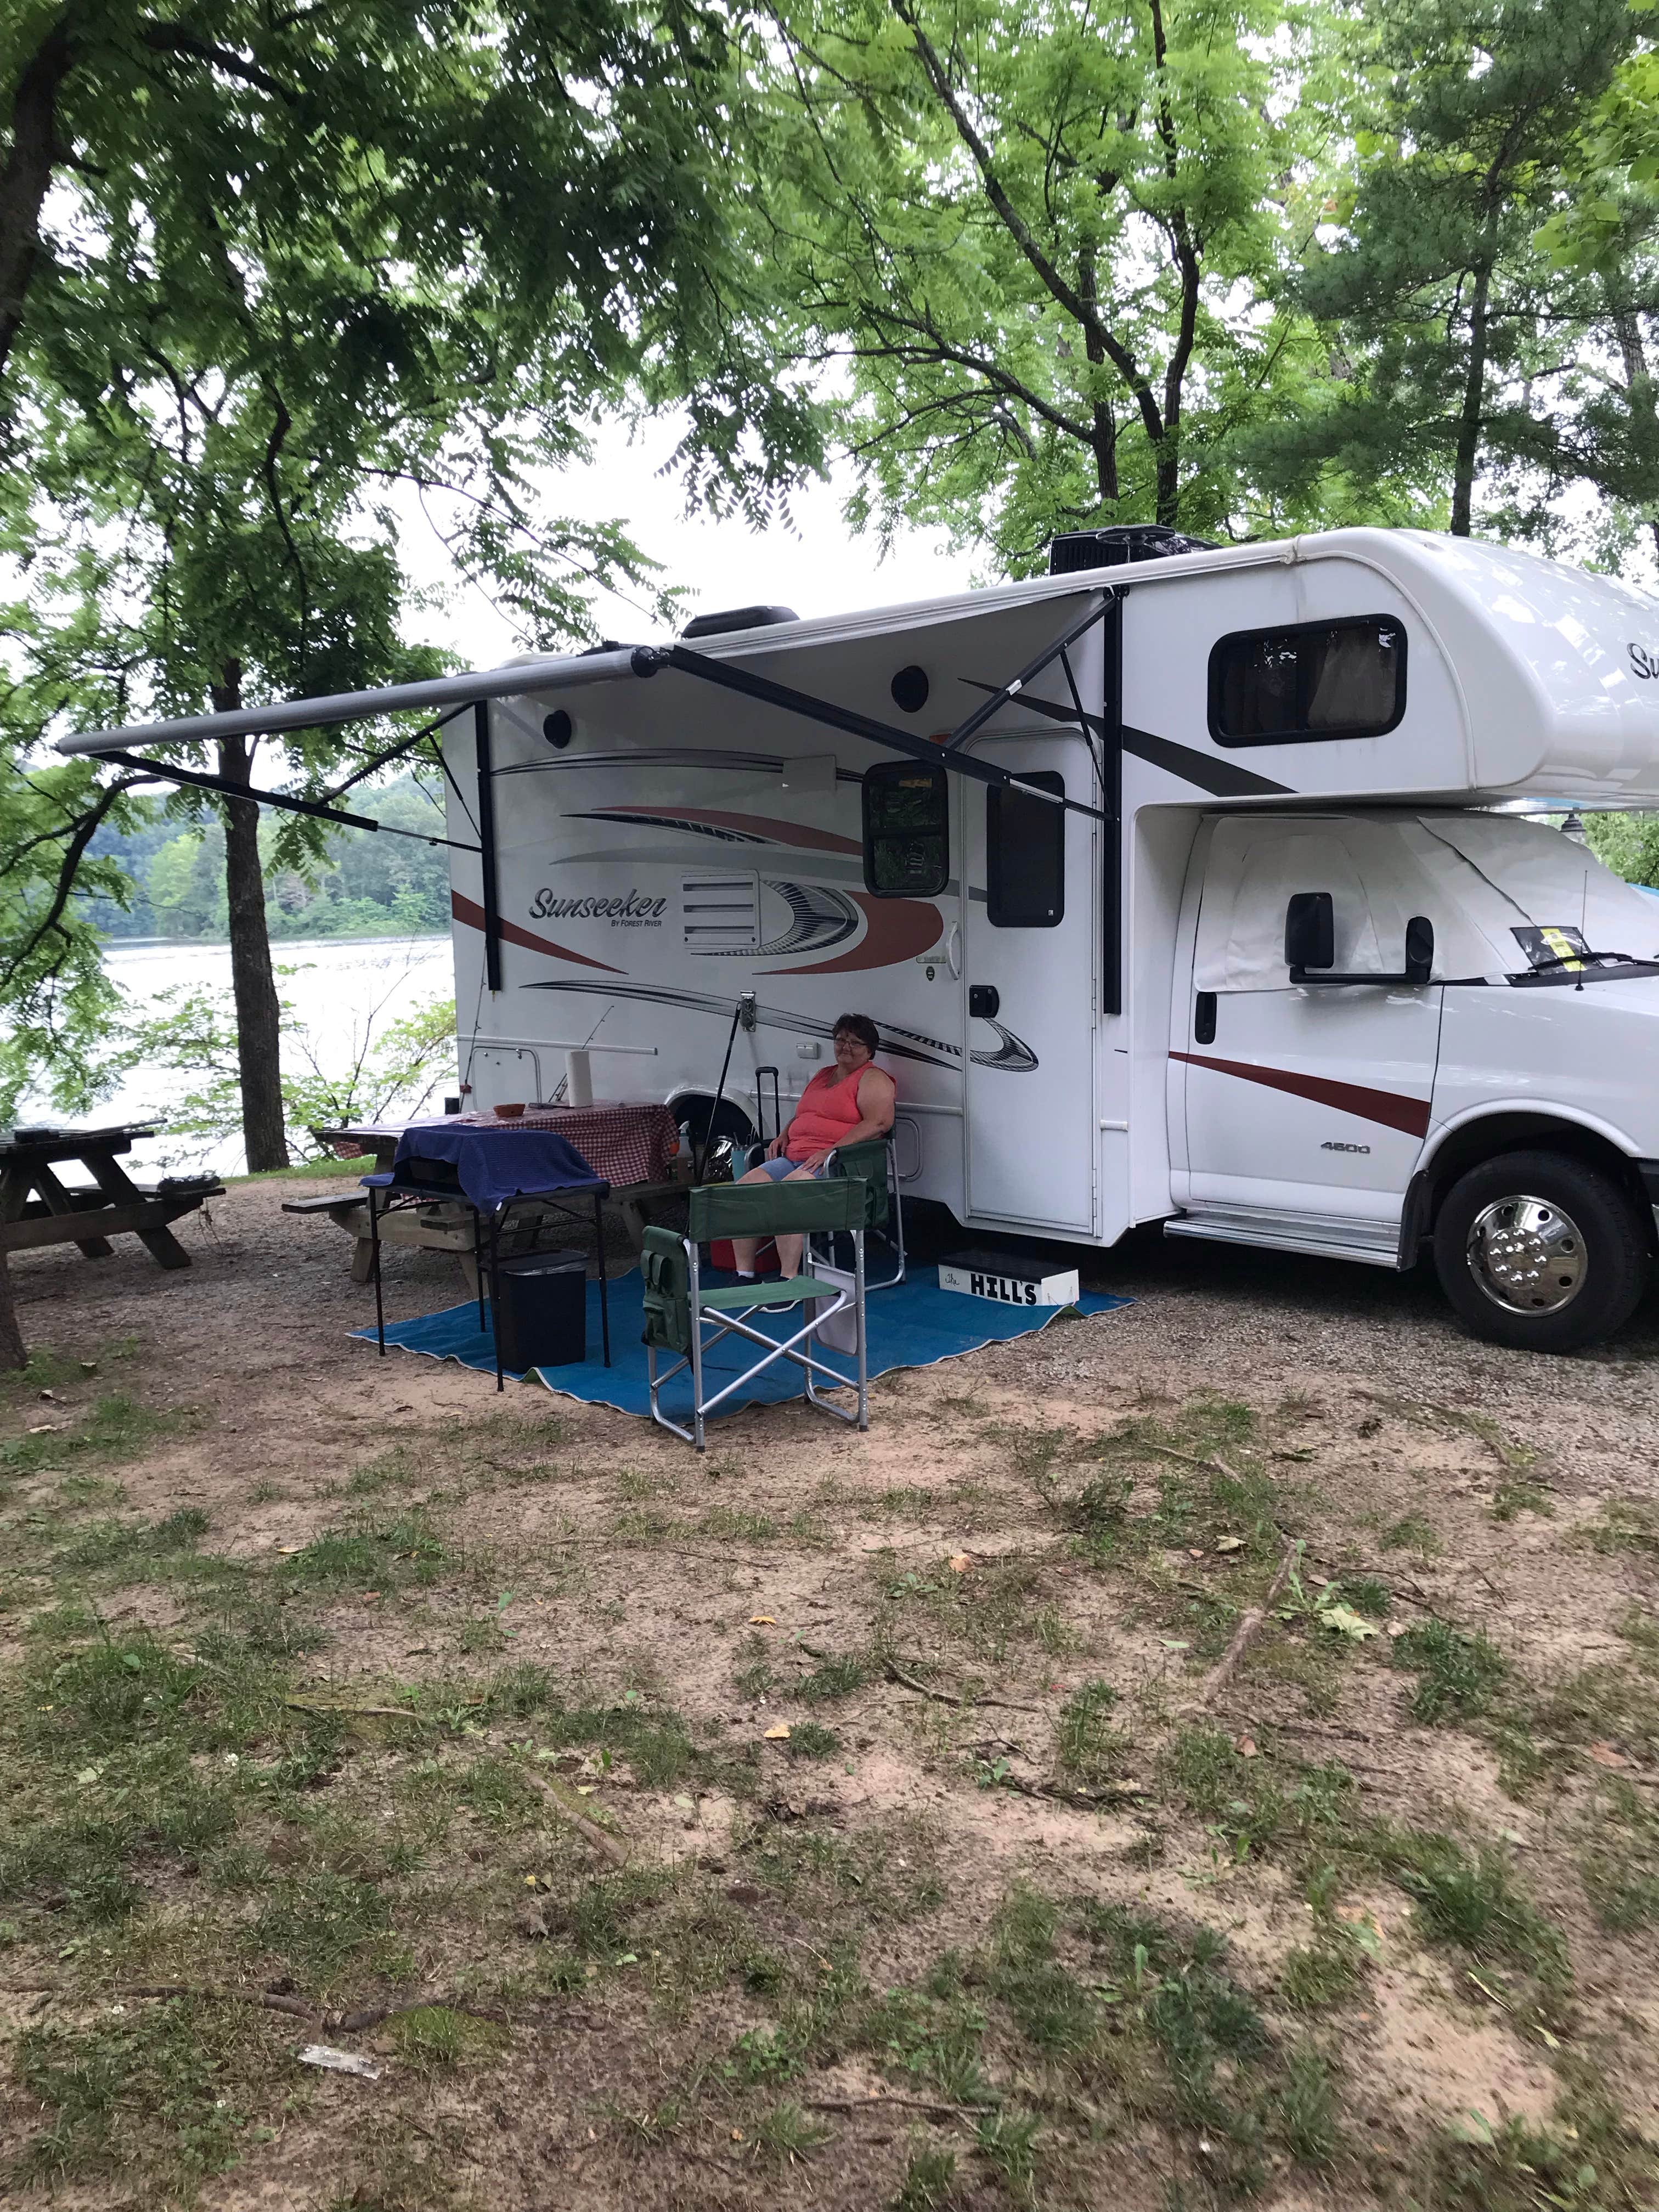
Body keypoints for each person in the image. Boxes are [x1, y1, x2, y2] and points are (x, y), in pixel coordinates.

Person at [730, 1013, 895, 1282]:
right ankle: (744, 1274)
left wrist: (831, 1151)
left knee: (788, 1194)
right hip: (795, 1157)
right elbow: (805, 1114)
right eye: (841, 1040)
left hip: (839, 1164)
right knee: (744, 1190)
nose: (846, 1047)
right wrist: (783, 1135)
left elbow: (879, 1123)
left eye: (855, 1043)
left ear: (870, 1051)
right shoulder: (824, 1075)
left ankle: (789, 1281)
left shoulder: (873, 1078)